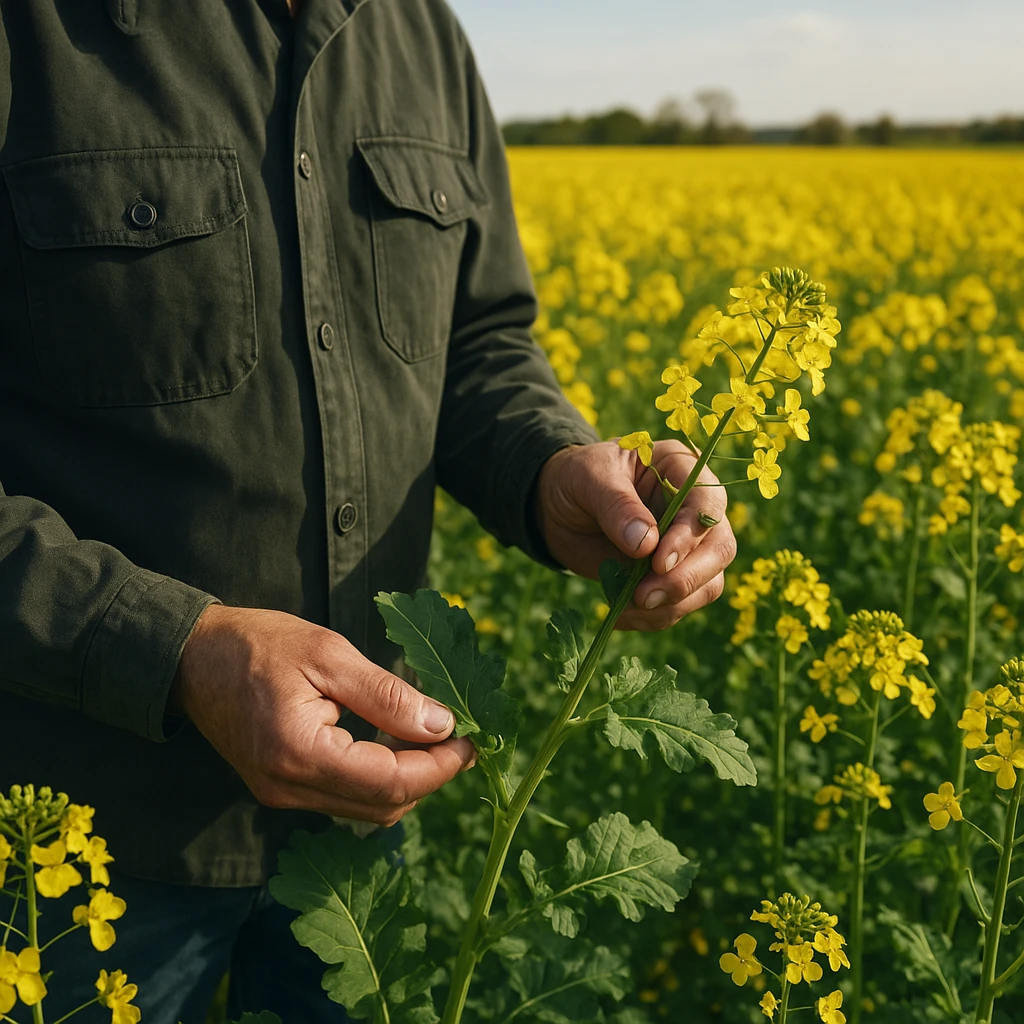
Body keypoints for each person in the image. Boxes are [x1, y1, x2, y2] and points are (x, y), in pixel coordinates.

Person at [0, 1, 736, 1020]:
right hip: (66, 845)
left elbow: (476, 341)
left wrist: (554, 468)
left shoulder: (420, 33)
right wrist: (179, 649)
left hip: (356, 826)